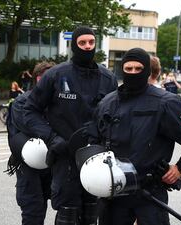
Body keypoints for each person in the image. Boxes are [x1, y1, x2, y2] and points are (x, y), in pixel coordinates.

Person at [88, 47, 181, 225]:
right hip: (114, 194)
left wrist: (180, 168)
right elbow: (93, 139)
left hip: (150, 192)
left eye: (138, 69)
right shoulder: (107, 103)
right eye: (128, 69)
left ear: (147, 71)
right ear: (122, 69)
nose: (133, 73)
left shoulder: (166, 103)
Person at [23, 26, 118, 225]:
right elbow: (30, 111)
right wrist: (51, 138)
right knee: (68, 213)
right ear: (74, 45)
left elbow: (117, 117)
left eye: (91, 42)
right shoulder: (56, 75)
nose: (87, 47)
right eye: (82, 43)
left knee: (92, 211)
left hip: (96, 157)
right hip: (65, 156)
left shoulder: (108, 78)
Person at [6, 61, 55, 225]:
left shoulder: (59, 103)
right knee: (33, 212)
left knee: (57, 208)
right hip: (29, 165)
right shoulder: (22, 101)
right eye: (44, 77)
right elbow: (30, 127)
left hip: (53, 162)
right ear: (37, 78)